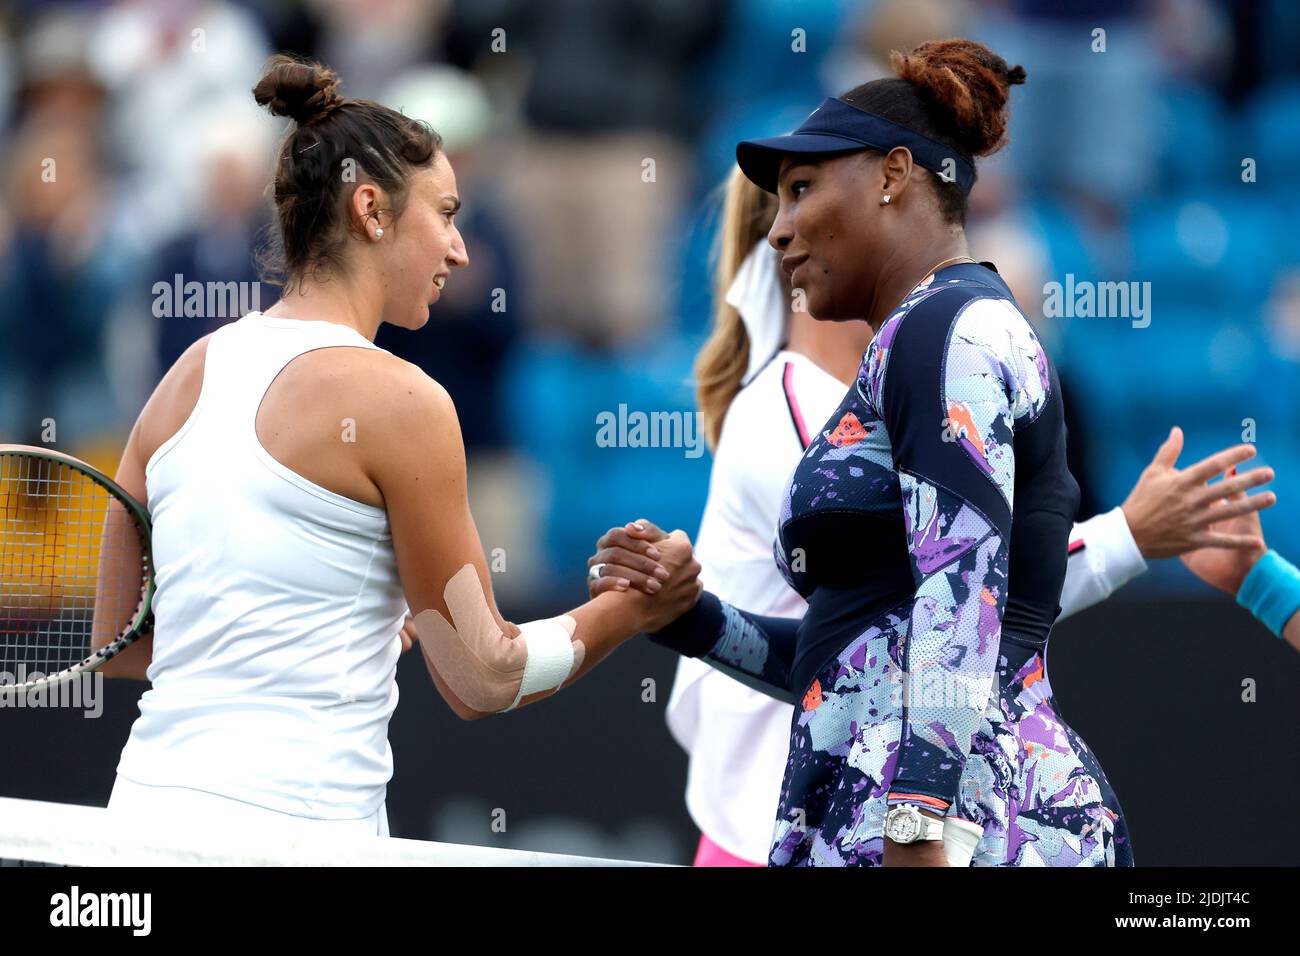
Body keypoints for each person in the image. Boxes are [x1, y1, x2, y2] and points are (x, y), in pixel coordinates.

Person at [587, 38, 1270, 867]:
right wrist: (694, 621)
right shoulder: (928, 335)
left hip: (962, 829)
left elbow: (964, 591)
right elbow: (853, 657)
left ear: (892, 175)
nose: (781, 231)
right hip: (920, 812)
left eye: (801, 190)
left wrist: (916, 818)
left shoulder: (941, 332)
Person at [96, 55, 700, 838]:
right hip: (293, 842)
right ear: (372, 209)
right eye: (445, 214)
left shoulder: (184, 376)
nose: (459, 250)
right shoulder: (403, 400)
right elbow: (484, 676)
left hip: (134, 826)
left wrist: (340, 621)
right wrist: (634, 609)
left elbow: (121, 642)